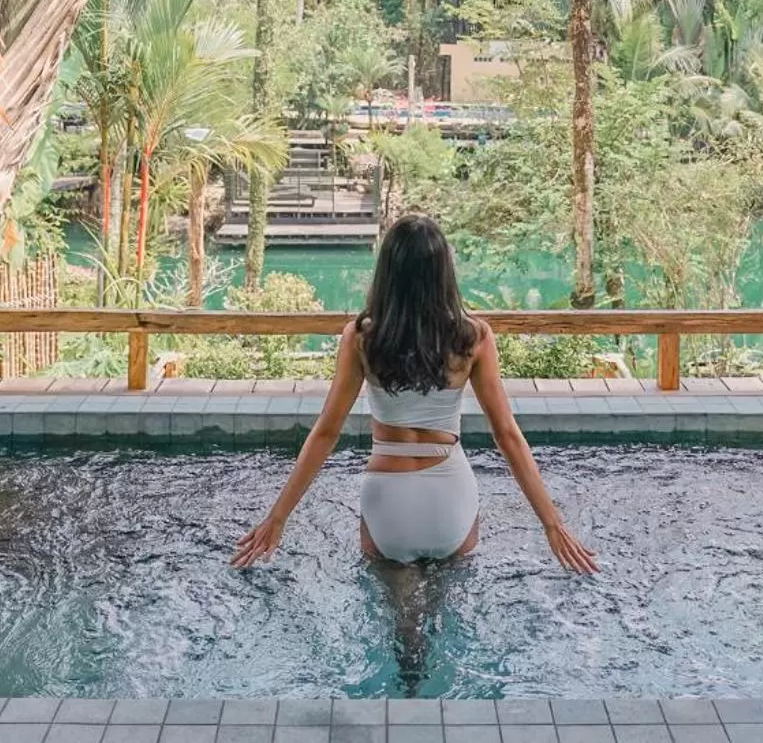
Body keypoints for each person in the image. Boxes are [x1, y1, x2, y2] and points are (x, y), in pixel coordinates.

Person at [232, 214, 597, 572]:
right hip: (450, 497)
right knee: (446, 612)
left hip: (389, 503)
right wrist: (552, 524)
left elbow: (326, 433)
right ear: (443, 273)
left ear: (388, 271)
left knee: (400, 623)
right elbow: (507, 435)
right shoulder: (473, 338)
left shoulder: (362, 338)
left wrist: (278, 518)